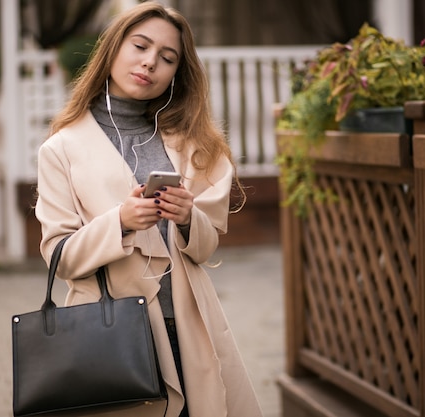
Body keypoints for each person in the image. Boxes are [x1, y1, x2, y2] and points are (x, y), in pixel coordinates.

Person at [35, 2, 263, 417]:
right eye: (140, 46)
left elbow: (205, 247)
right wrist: (119, 223)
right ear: (114, 48)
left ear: (177, 73)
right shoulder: (61, 149)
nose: (150, 62)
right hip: (112, 333)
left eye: (167, 57)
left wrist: (189, 217)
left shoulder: (193, 143)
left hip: (189, 329)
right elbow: (59, 256)